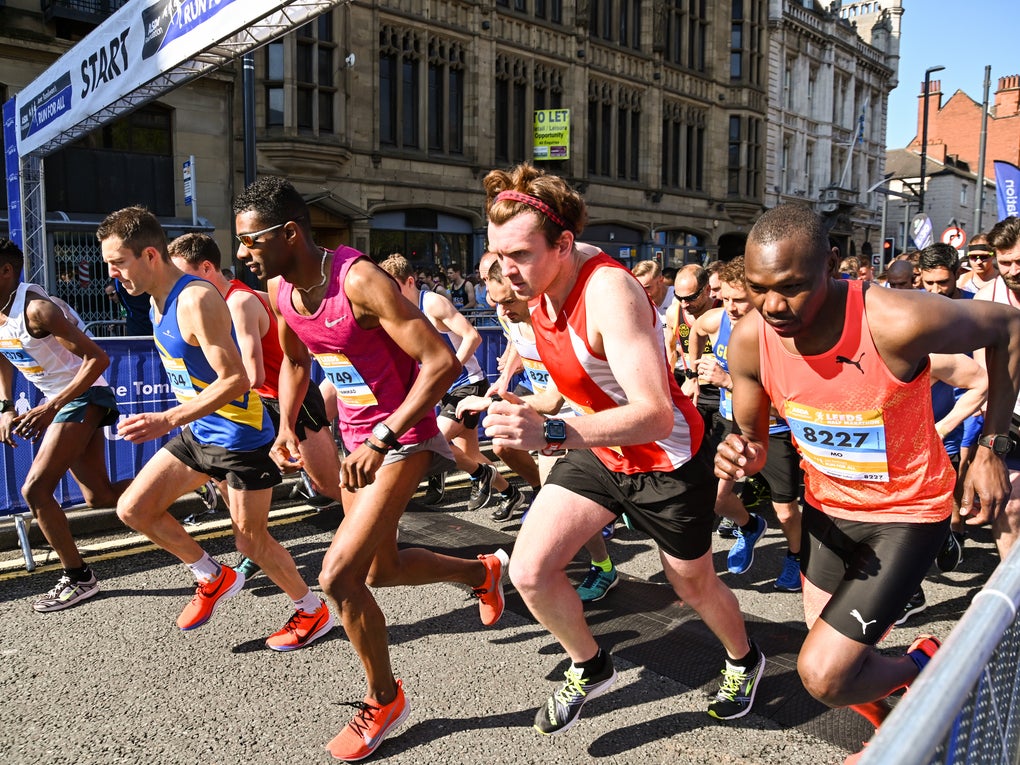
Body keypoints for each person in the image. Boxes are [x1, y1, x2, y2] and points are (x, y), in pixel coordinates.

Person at [715, 203, 1020, 762]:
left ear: (833, 264)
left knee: (824, 675)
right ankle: (899, 725)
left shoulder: (895, 318)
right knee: (840, 667)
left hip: (907, 513)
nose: (773, 306)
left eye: (792, 287)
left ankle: (923, 664)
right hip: (829, 512)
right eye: (758, 289)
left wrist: (990, 451)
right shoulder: (751, 339)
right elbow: (756, 443)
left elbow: (1010, 327)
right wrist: (740, 452)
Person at [232, 176, 509, 762]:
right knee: (379, 571)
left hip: (402, 437)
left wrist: (384, 436)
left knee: (337, 576)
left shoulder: (358, 280)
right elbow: (297, 362)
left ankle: (384, 698)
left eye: (252, 241)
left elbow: (437, 364)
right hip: (360, 439)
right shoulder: (283, 291)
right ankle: (481, 572)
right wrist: (286, 424)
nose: (242, 254)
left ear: (289, 233)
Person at [481, 163, 765, 735]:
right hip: (601, 449)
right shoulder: (536, 283)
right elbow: (574, 382)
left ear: (563, 245)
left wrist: (554, 433)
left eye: (519, 255)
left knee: (689, 583)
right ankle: (592, 664)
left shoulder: (610, 292)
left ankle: (744, 659)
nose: (504, 271)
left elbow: (657, 413)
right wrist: (523, 407)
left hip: (667, 458)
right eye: (496, 255)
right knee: (531, 570)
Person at [97, 207, 335, 652]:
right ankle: (211, 574)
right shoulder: (153, 300)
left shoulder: (197, 299)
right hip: (198, 432)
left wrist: (167, 419)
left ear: (150, 254)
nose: (111, 274)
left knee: (251, 540)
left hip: (238, 438)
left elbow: (237, 379)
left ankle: (311, 610)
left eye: (118, 262)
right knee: (134, 509)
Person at [167, 233, 345, 575]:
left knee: (327, 483)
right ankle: (253, 548)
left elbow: (251, 374)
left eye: (182, 276)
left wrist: (199, 405)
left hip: (283, 400)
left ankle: (377, 524)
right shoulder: (211, 304)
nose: (177, 286)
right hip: (247, 405)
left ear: (206, 268)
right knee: (231, 481)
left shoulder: (237, 302)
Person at [0, 238, 131, 612]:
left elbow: (98, 359)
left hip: (86, 395)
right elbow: (4, 356)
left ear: (7, 271)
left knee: (36, 489)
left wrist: (50, 407)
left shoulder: (39, 311)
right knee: (100, 497)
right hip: (60, 400)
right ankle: (193, 479)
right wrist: (5, 406)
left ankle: (78, 577)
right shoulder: (0, 309)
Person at [689, 257, 804, 590]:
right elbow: (695, 329)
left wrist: (726, 381)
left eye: (738, 300)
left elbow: (786, 397)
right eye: (723, 298)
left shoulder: (778, 334)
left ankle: (796, 556)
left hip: (774, 430)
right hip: (731, 424)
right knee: (716, 498)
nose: (730, 307)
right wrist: (691, 374)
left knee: (785, 512)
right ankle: (750, 526)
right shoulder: (716, 319)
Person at [379, 254, 524, 517]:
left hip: (467, 385)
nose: (390, 294)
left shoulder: (432, 302)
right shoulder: (399, 312)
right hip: (444, 390)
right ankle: (510, 493)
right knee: (471, 455)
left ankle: (479, 476)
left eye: (394, 287)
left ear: (410, 282)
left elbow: (473, 336)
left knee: (434, 441)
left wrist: (446, 373)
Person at [978, 215, 1020, 558]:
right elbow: (980, 369)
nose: (1013, 269)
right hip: (1009, 422)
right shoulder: (986, 299)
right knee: (1009, 508)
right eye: (1005, 262)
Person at [631, 260, 675, 348]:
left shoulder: (678, 297)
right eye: (639, 288)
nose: (643, 292)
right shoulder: (636, 300)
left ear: (661, 280)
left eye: (647, 287)